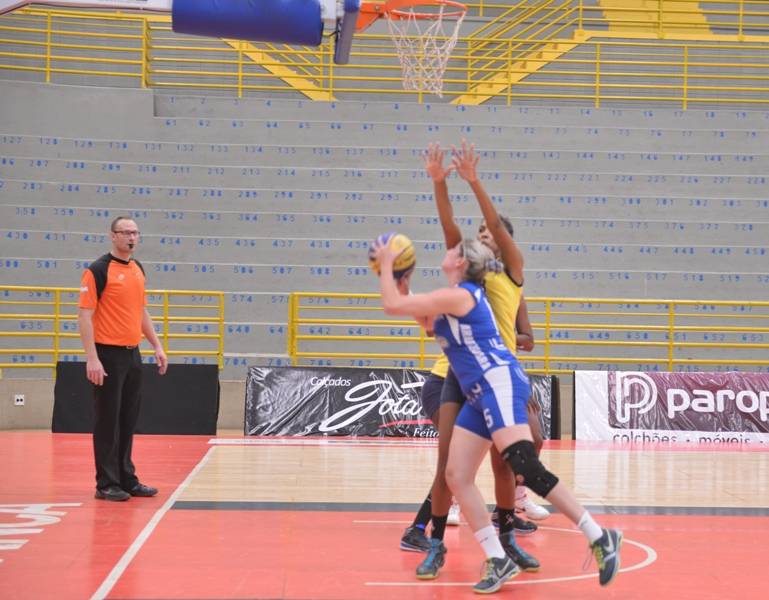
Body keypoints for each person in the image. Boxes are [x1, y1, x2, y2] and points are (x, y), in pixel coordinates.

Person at [374, 170, 622, 597]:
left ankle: (599, 535)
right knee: (456, 475)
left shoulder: (463, 294)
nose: (449, 249)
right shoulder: (453, 297)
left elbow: (392, 305)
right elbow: (421, 317)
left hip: (499, 382)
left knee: (524, 464)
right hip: (475, 392)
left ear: (461, 263)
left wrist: (384, 265)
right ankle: (497, 557)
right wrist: (402, 281)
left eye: (456, 250)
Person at [401, 142, 540, 579]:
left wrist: (474, 182)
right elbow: (449, 225)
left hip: (498, 375)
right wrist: (439, 183)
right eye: (478, 233)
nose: (483, 235)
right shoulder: (466, 270)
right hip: (458, 375)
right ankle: (435, 542)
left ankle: (507, 538)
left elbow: (496, 224)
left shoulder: (512, 272)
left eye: (489, 233)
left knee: (506, 461)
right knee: (448, 465)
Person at [78, 216, 168, 501]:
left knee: (128, 419)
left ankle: (127, 478)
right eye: (126, 232)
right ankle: (106, 483)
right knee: (107, 420)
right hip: (107, 354)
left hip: (132, 354)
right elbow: (85, 316)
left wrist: (157, 346)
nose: (131, 237)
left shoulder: (138, 268)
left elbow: (141, 311)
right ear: (113, 236)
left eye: (135, 233)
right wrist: (92, 358)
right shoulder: (98, 270)